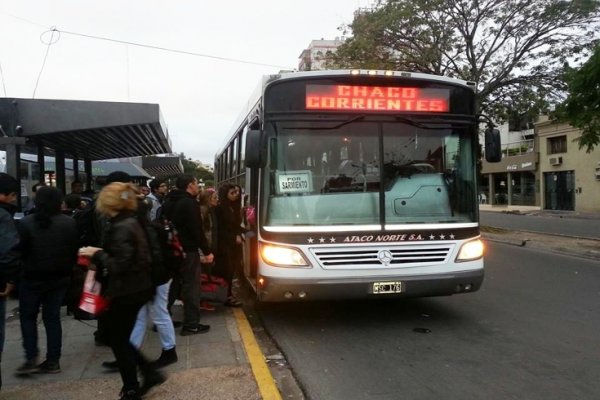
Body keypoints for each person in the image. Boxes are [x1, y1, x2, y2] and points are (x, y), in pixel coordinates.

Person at [79, 182, 165, 400]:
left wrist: (95, 253)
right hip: (138, 288)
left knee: (117, 339)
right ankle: (146, 374)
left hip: (127, 291)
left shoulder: (121, 226)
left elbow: (120, 264)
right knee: (117, 337)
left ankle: (133, 386)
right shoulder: (132, 220)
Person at [15, 186, 79, 375]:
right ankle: (53, 361)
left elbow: (20, 251)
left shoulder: (26, 223)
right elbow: (74, 249)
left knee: (28, 317)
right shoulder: (69, 222)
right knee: (52, 319)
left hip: (32, 278)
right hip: (59, 278)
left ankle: (30, 357)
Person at [161, 174, 213, 335]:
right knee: (191, 286)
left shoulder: (168, 201)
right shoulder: (189, 203)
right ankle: (191, 324)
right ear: (190, 185)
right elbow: (196, 230)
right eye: (197, 183)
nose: (198, 187)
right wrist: (207, 251)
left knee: (173, 284)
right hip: (188, 251)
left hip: (171, 249)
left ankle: (163, 320)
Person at [0, 173, 21, 391]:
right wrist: (10, 280)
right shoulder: (3, 217)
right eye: (12, 195)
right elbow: (8, 251)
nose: (14, 199)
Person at [215, 184, 243, 307]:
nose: (236, 194)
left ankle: (227, 294)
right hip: (224, 246)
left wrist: (247, 233)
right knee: (226, 271)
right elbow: (219, 230)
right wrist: (234, 237)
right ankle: (226, 296)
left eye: (237, 192)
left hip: (233, 245)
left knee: (231, 271)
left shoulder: (234, 207)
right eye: (232, 193)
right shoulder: (219, 209)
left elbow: (236, 227)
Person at [198, 188, 219, 311]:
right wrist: (204, 252)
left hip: (209, 248)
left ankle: (204, 300)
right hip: (204, 250)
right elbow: (201, 234)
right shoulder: (202, 212)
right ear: (208, 199)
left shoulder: (211, 211)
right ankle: (202, 301)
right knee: (203, 276)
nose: (217, 199)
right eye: (214, 197)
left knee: (206, 275)